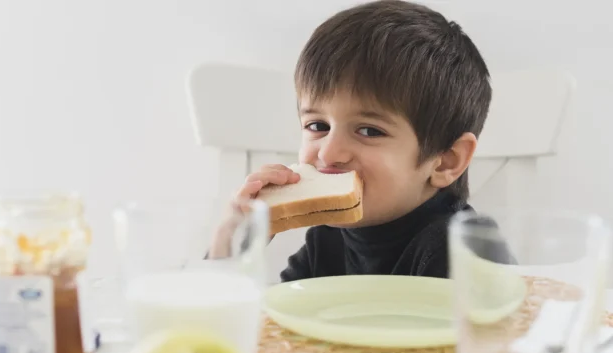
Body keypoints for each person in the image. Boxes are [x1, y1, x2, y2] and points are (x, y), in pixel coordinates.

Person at [209, 0, 510, 281]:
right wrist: (232, 240)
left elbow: (492, 334)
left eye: (368, 131)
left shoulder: (466, 248)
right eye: (318, 125)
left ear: (446, 160)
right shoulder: (325, 239)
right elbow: (241, 323)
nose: (329, 152)